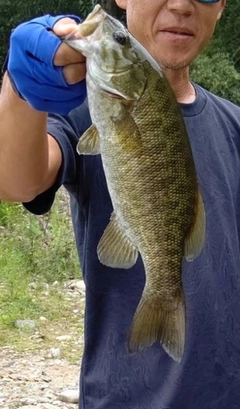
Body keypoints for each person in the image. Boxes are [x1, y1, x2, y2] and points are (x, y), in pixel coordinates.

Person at [1, 0, 240, 408]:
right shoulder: (81, 112)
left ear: (220, 9)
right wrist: (20, 92)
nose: (181, 5)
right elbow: (16, 181)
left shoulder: (234, 125)